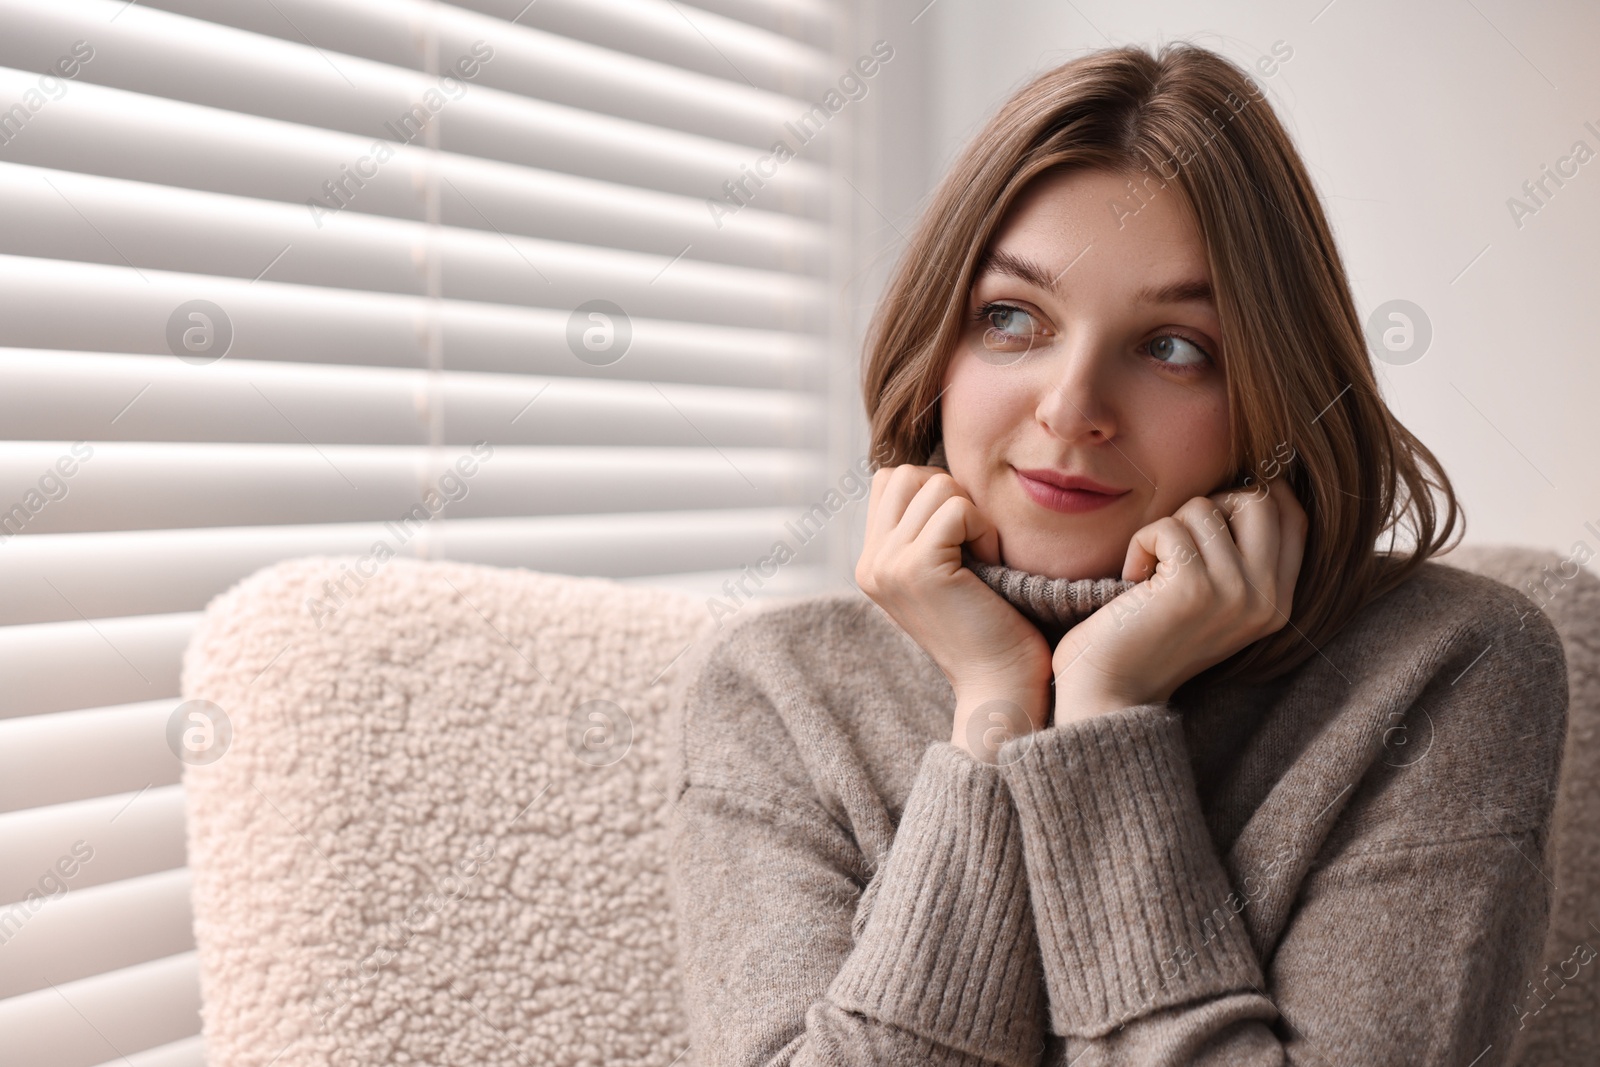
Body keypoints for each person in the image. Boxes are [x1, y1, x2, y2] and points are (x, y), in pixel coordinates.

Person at [665, 41, 1568, 1066]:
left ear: (1269, 386)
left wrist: (1102, 716)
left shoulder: (1448, 669)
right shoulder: (775, 690)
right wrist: (996, 708)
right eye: (1011, 319)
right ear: (937, 349)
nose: (1071, 407)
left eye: (1173, 347)